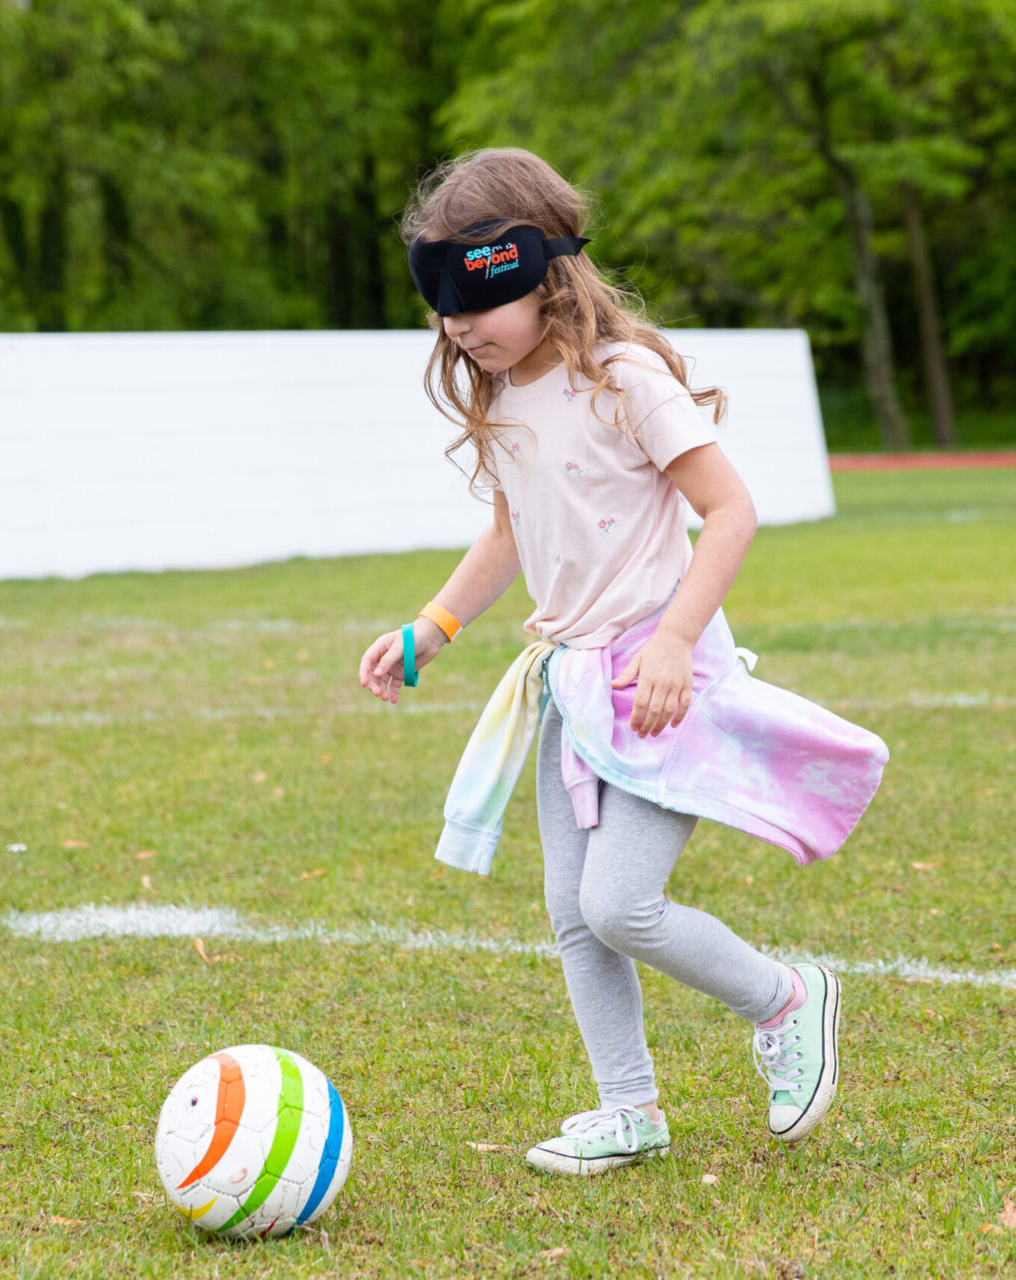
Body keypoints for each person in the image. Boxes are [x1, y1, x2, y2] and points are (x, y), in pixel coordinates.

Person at [356, 148, 886, 1175]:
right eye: (441, 307)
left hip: (656, 682)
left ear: (539, 269)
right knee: (572, 912)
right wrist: (432, 626)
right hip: (571, 684)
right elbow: (512, 535)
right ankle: (628, 1106)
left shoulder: (623, 378)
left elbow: (730, 508)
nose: (458, 327)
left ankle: (784, 997)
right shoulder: (499, 394)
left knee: (620, 902)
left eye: (474, 300)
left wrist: (680, 641)